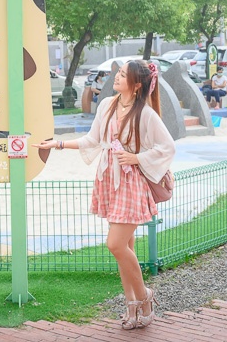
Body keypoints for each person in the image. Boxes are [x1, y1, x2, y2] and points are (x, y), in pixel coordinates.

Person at [36, 60, 175, 330]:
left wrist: (136, 157)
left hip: (131, 183)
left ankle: (145, 296)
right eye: (119, 73)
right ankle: (132, 305)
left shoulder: (145, 114)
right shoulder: (108, 105)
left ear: (136, 86)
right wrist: (58, 144)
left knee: (115, 244)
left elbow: (167, 147)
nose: (117, 77)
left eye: (123, 75)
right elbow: (92, 140)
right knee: (125, 249)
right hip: (109, 180)